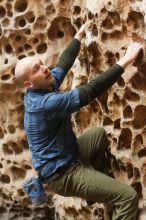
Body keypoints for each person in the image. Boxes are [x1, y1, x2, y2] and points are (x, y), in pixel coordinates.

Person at [15, 23, 143, 220]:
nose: (45, 68)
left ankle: (99, 192)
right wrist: (125, 61)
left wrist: (79, 35)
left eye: (41, 63)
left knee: (97, 135)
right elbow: (90, 91)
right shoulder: (44, 104)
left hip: (69, 156)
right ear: (28, 83)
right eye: (37, 68)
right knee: (128, 197)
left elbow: (63, 64)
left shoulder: (43, 85)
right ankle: (108, 194)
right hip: (63, 175)